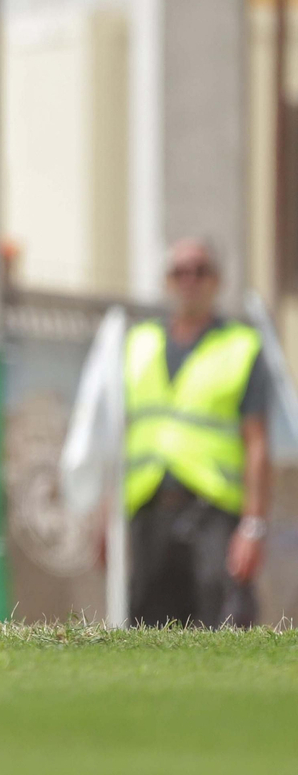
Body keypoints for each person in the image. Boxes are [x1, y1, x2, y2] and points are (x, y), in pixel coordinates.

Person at [124, 238, 271, 628]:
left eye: (200, 271)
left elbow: (257, 441)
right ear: (167, 282)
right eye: (179, 272)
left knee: (220, 626)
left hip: (213, 513)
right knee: (146, 633)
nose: (189, 280)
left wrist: (253, 526)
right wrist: (105, 513)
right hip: (148, 510)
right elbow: (118, 433)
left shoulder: (241, 345)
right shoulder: (137, 343)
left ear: (217, 281)